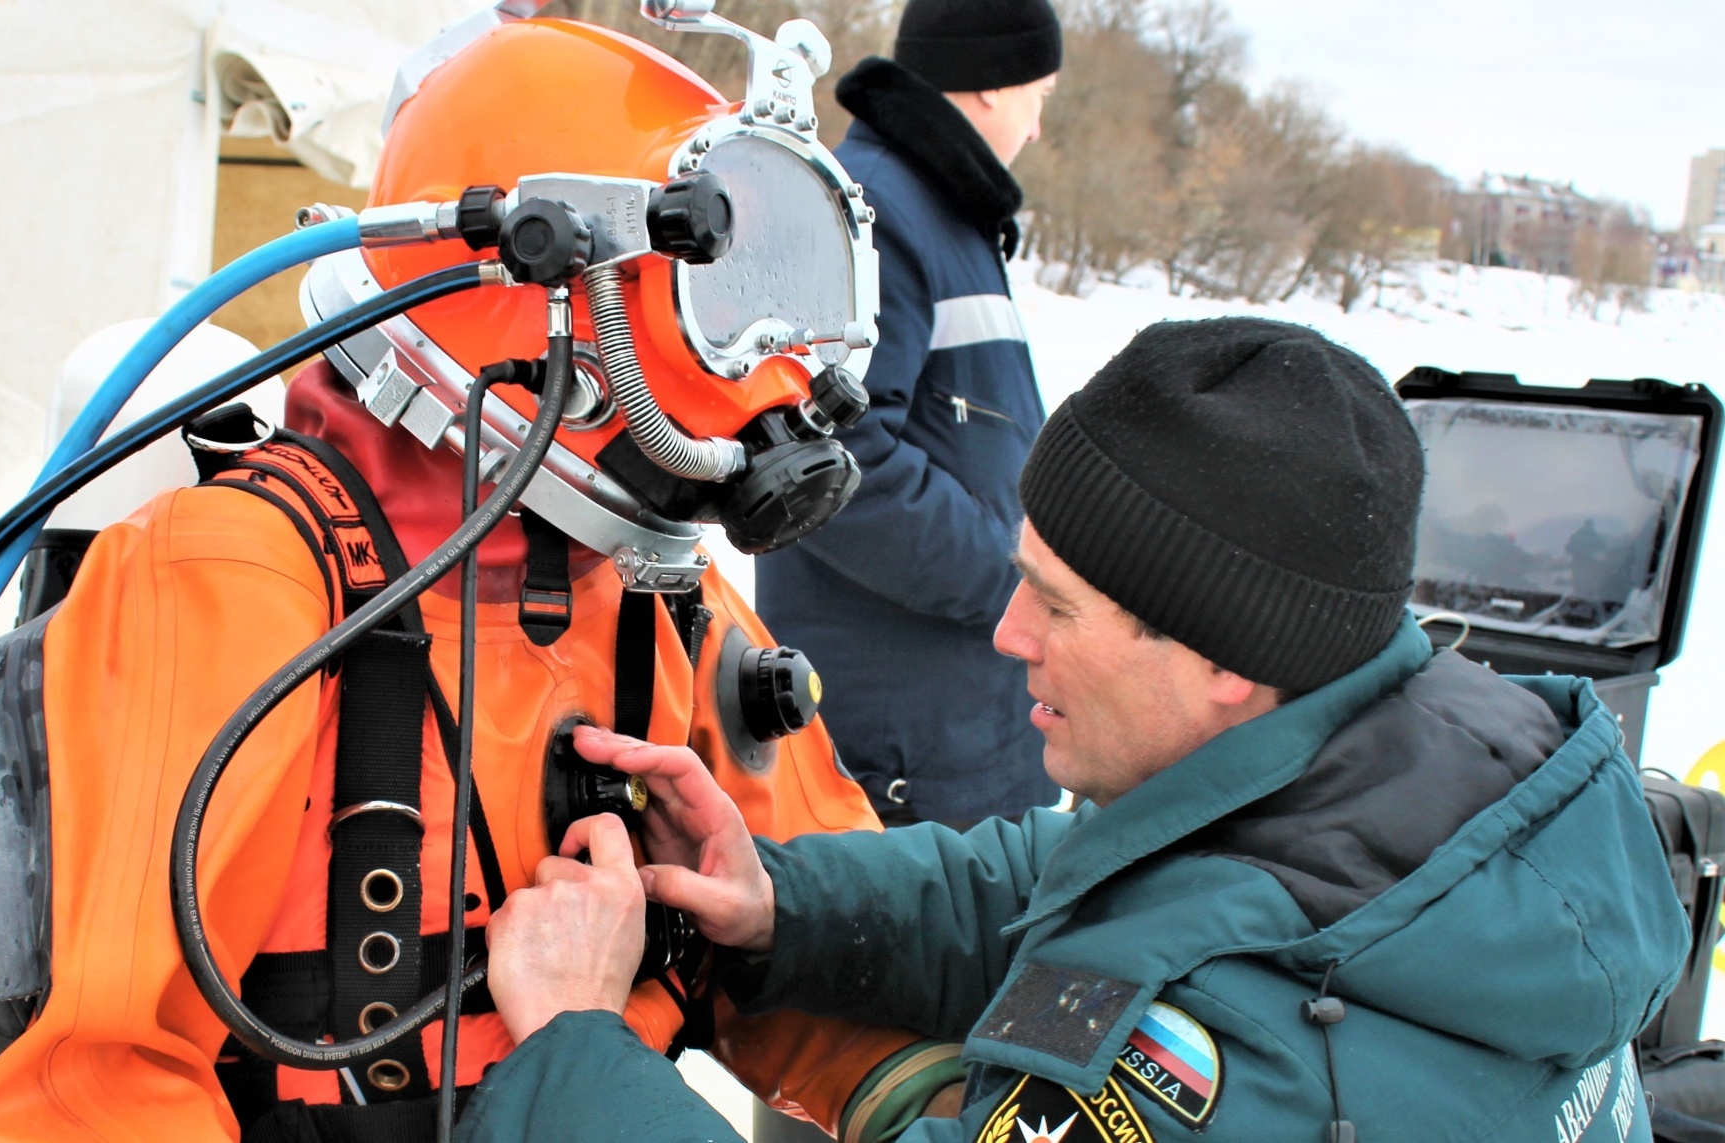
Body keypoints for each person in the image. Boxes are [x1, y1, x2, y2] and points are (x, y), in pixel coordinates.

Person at [0, 11, 957, 1141]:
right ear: (549, 295)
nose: (763, 387)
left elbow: (804, 939)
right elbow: (92, 1089)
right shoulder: (239, 585)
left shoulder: (657, 595)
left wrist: (948, 1104)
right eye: (714, 300)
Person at [473, 317, 1690, 1142]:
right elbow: (1078, 877)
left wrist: (572, 1043)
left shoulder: (1234, 1068)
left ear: (1221, 657)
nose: (1005, 634)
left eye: (1054, 604)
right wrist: (783, 903)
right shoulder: (1418, 737)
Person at [757, 0, 1063, 827]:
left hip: (965, 716)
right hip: (904, 744)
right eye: (1041, 95)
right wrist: (1015, 581)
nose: (1037, 126)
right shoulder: (876, 216)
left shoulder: (948, 214)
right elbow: (830, 460)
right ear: (994, 86)